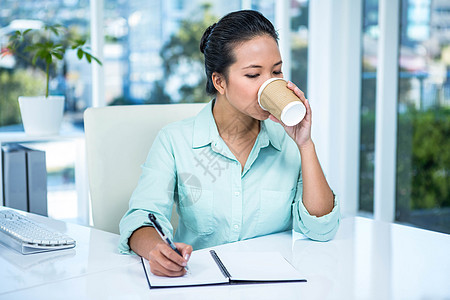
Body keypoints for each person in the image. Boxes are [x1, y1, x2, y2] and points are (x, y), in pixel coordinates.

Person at [119, 10, 339, 277]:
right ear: (219, 81)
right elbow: (142, 217)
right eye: (253, 75)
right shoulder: (175, 140)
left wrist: (305, 144)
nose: (269, 84)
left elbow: (322, 229)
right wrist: (157, 250)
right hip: (200, 283)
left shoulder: (289, 140)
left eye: (276, 71)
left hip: (274, 286)